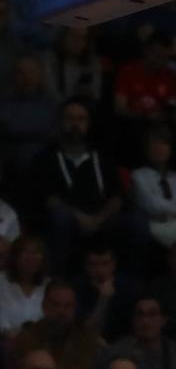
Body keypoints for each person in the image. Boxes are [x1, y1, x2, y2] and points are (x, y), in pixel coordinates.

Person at [33, 98, 125, 273]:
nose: (75, 124)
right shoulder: (45, 157)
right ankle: (58, 277)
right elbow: (47, 198)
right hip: (68, 217)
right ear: (60, 122)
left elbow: (118, 196)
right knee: (59, 218)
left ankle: (126, 280)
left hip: (101, 217)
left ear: (88, 124)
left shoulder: (102, 155)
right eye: (69, 118)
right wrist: (80, 218)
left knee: (135, 221)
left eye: (80, 119)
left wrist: (98, 219)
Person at [11, 280, 107, 369]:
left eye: (67, 306)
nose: (61, 311)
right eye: (55, 305)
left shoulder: (86, 339)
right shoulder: (28, 336)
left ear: (74, 308)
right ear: (44, 306)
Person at [130, 127, 176, 248]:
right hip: (158, 228)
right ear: (146, 148)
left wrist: (171, 212)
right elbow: (153, 206)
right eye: (154, 143)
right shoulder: (139, 176)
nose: (159, 148)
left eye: (164, 143)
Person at [74, 243, 140, 342]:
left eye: (105, 264)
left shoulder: (128, 287)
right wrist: (103, 299)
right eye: (93, 265)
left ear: (114, 264)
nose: (99, 271)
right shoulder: (77, 288)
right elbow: (86, 330)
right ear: (86, 266)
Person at [0, 233, 49, 334]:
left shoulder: (50, 286)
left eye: (36, 252)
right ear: (15, 256)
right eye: (25, 252)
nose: (31, 258)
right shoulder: (1, 283)